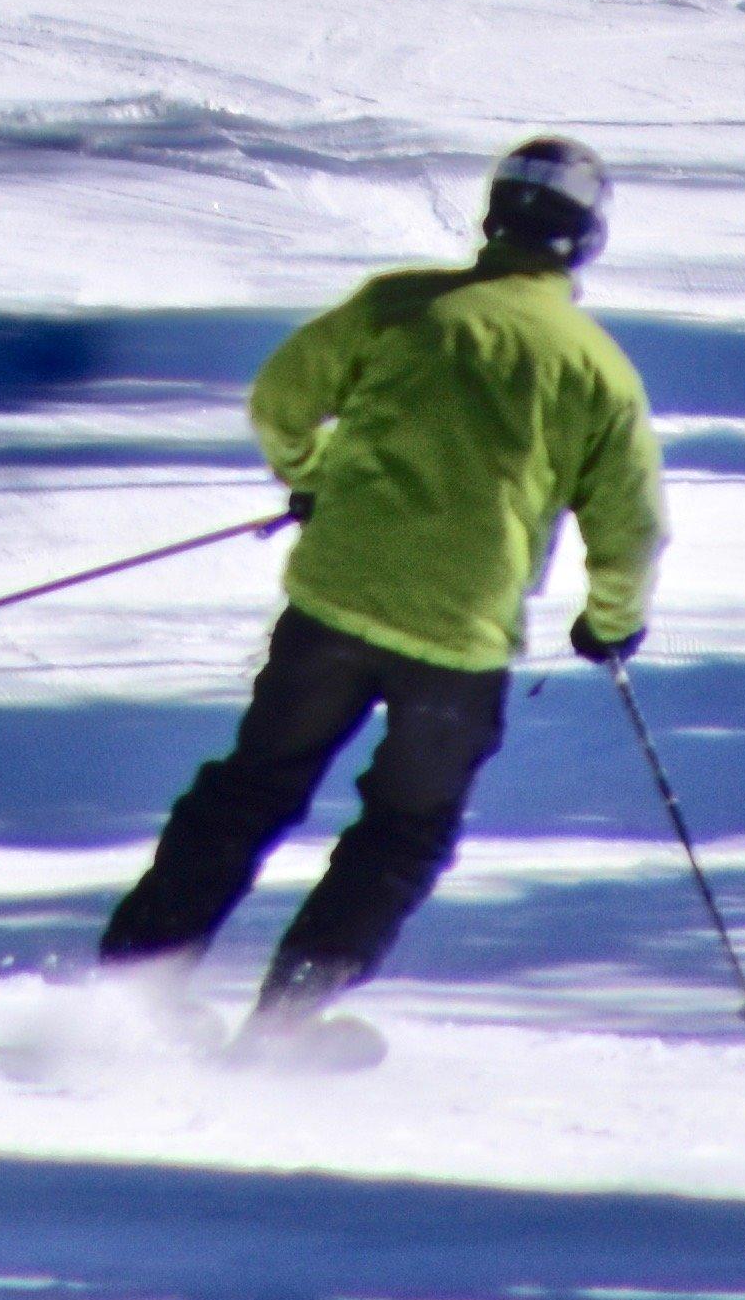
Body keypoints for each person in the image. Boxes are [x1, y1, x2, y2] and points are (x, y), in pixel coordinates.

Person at [96, 133, 666, 1059]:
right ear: (586, 240)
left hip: (331, 605)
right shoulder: (596, 368)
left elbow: (280, 395)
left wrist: (313, 474)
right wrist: (610, 624)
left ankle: (130, 986)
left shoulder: (400, 306)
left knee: (248, 793)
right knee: (403, 830)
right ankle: (287, 1020)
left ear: (494, 215)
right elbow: (631, 523)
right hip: (459, 642)